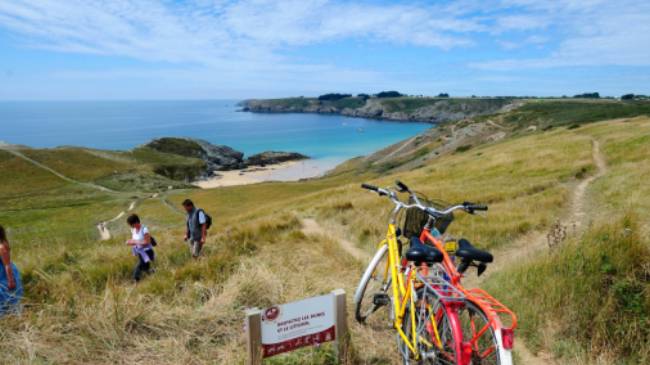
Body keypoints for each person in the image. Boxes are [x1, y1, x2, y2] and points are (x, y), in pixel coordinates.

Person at [0, 225, 23, 316]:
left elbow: (7, 265)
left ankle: (12, 311)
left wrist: (11, 280)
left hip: (5, 274)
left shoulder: (1, 247)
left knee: (5, 293)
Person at [125, 214, 155, 282]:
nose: (131, 226)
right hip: (140, 252)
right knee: (145, 268)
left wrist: (134, 242)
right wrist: (130, 241)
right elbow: (136, 240)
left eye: (131, 224)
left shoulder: (144, 229)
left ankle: (135, 279)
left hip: (147, 251)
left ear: (136, 222)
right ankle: (153, 273)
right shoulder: (133, 230)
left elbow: (147, 242)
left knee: (139, 266)